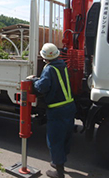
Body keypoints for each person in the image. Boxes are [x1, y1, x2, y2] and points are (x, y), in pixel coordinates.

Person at [27, 43, 76, 178]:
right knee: (66, 136)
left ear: (44, 57)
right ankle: (59, 161)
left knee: (55, 139)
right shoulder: (62, 65)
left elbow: (42, 87)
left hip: (57, 109)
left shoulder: (49, 69)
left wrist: (33, 80)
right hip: (70, 106)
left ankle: (58, 172)